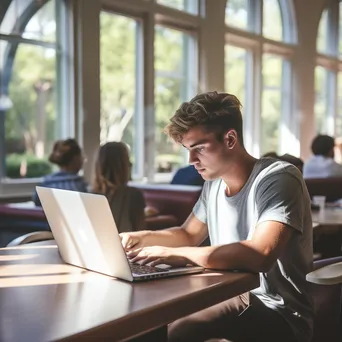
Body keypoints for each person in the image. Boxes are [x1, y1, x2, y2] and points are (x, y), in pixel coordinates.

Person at [120, 92, 313, 342]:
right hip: (225, 293)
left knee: (180, 328)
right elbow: (188, 234)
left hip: (278, 313)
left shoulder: (278, 177)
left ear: (230, 138)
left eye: (199, 148)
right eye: (188, 149)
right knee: (147, 323)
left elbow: (260, 255)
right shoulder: (213, 184)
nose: (191, 160)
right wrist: (140, 238)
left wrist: (177, 254)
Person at [92, 141, 146, 233]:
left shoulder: (89, 195)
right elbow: (141, 233)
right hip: (126, 245)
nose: (130, 164)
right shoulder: (133, 195)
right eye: (127, 159)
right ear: (123, 165)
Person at [33, 138, 88, 206]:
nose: (83, 160)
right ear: (75, 159)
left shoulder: (44, 183)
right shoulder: (80, 185)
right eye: (81, 156)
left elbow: (36, 203)